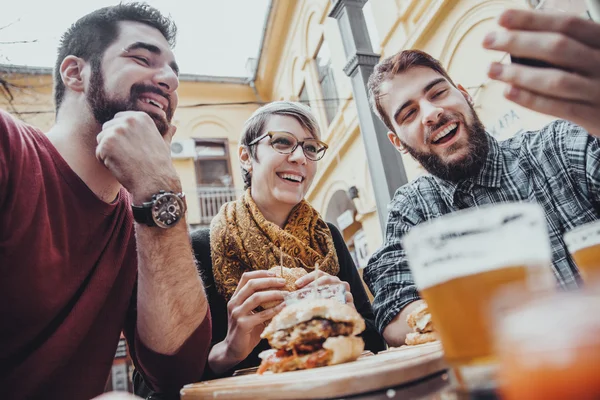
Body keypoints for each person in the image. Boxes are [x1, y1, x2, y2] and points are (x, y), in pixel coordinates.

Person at [0, 3, 211, 399]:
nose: (167, 80)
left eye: (173, 73)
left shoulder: (141, 216)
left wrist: (158, 189)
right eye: (141, 57)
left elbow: (176, 369)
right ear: (75, 73)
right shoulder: (9, 146)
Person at [363, 8, 600, 347]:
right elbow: (394, 310)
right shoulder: (412, 207)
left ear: (465, 93)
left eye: (437, 93)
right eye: (409, 112)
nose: (431, 113)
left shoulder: (557, 148)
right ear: (397, 142)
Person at [137, 102, 385, 392]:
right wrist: (227, 351)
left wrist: (351, 319)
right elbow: (150, 385)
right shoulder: (198, 249)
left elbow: (377, 342)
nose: (299, 157)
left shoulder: (328, 238)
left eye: (310, 148)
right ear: (245, 156)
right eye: (282, 142)